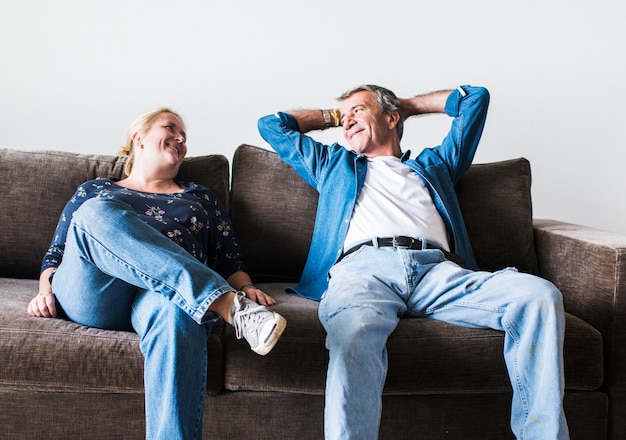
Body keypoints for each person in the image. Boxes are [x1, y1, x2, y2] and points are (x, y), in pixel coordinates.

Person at [258, 85, 569, 439]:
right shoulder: (332, 164)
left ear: (391, 119)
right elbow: (271, 125)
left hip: (437, 272)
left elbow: (475, 99)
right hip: (363, 270)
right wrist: (334, 116)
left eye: (358, 111)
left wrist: (406, 106)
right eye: (344, 118)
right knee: (354, 331)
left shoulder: (435, 165)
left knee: (540, 296)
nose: (348, 122)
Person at [27, 108, 286, 439]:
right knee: (94, 214)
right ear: (139, 137)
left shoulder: (199, 198)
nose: (181, 139)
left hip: (163, 297)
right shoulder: (96, 191)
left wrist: (246, 286)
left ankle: (227, 302)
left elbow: (229, 258)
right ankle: (228, 306)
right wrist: (45, 289)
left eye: (185, 137)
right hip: (97, 293)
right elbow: (58, 253)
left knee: (178, 313)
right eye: (171, 129)